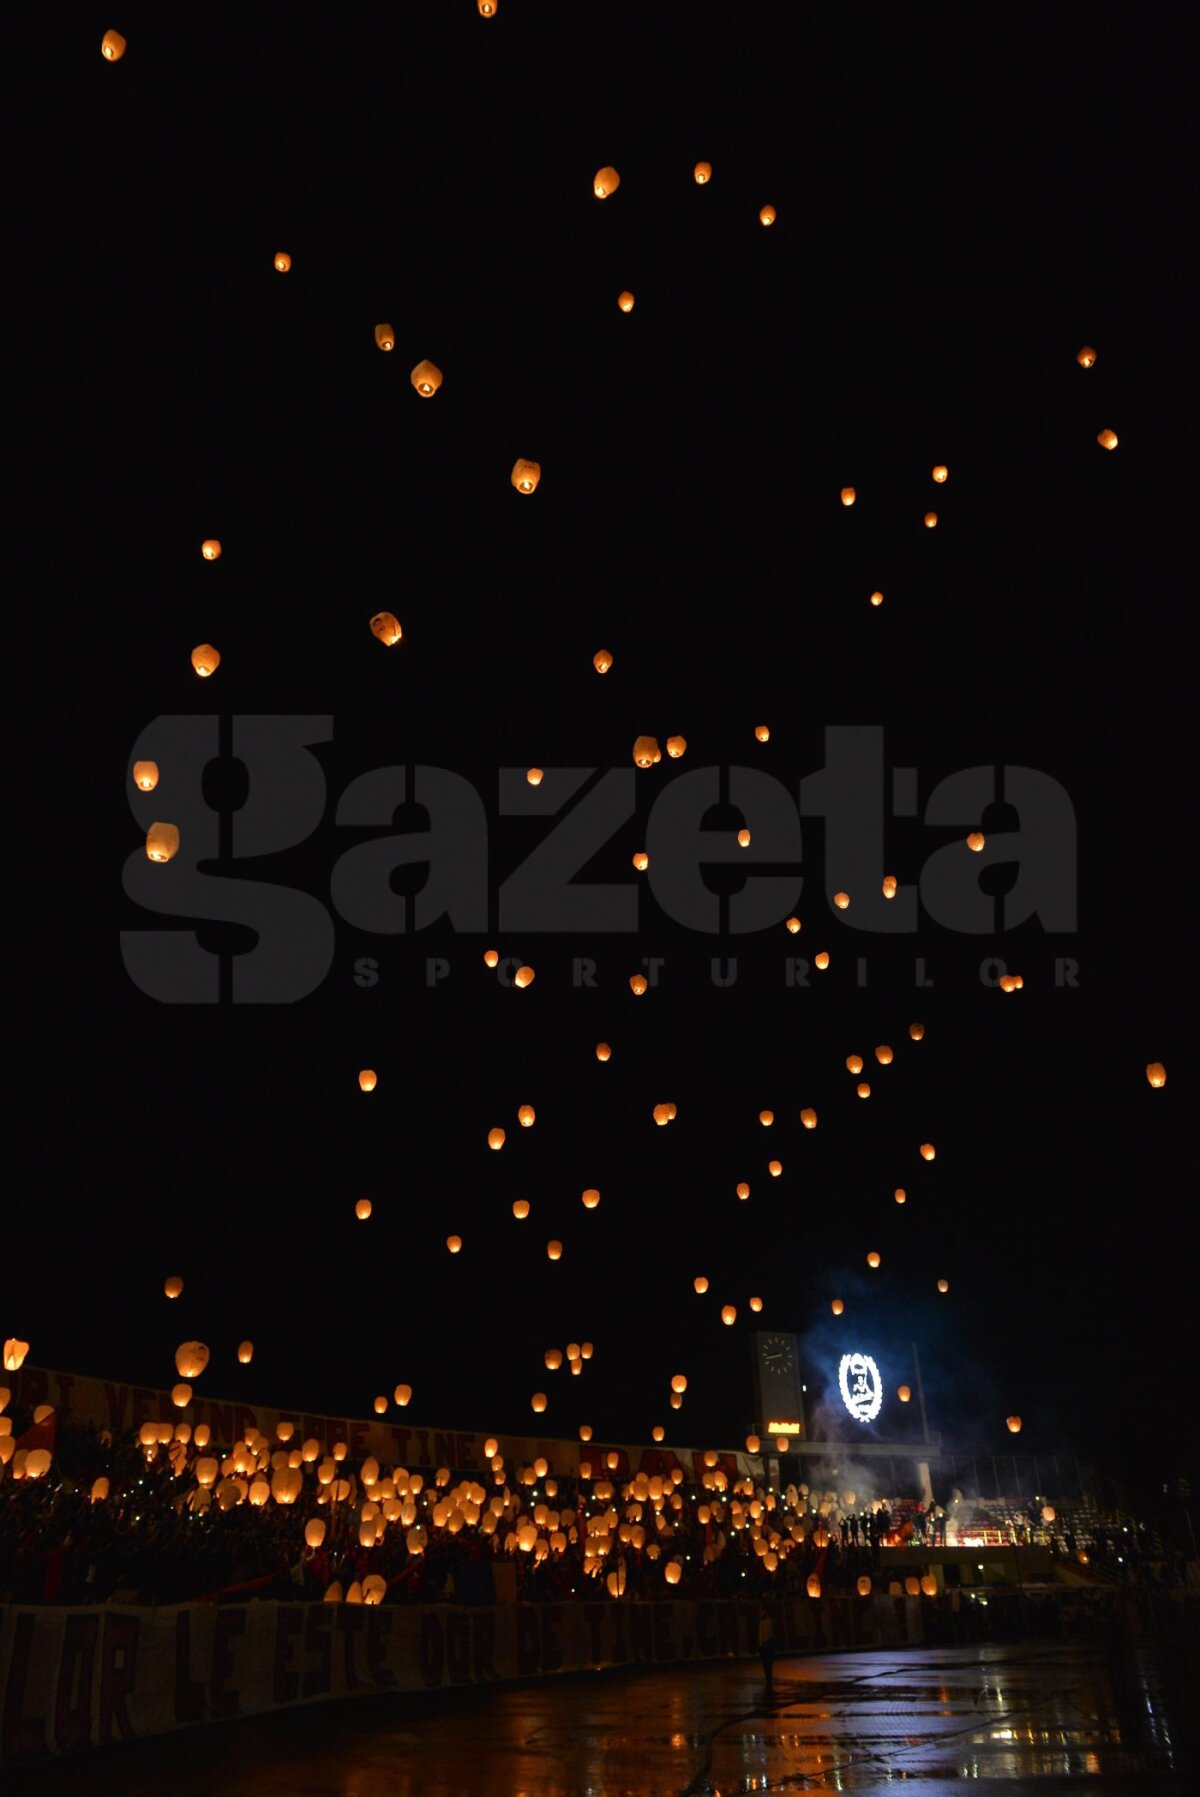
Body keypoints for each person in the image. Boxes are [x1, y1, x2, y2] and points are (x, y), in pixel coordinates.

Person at [756, 1607, 776, 1696]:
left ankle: (768, 1677)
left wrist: (761, 1643)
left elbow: (765, 1634)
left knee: (766, 1662)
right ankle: (768, 1677)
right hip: (766, 1644)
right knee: (767, 1662)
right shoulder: (766, 1623)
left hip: (765, 1644)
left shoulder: (765, 1623)